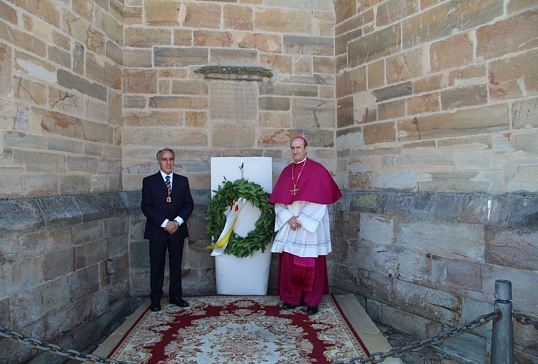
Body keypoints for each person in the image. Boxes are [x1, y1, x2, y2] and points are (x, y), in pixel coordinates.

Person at [268, 136, 342, 315]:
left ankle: (311, 301)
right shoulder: (287, 172)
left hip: (310, 227)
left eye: (299, 147)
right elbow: (279, 201)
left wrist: (300, 220)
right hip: (291, 225)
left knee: (311, 265)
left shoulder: (318, 170)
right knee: (290, 264)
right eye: (292, 148)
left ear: (306, 148)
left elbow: (320, 202)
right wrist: (288, 218)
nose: (295, 151)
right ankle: (292, 299)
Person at [141, 148, 194, 312]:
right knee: (156, 265)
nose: (168, 162)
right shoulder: (149, 181)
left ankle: (175, 295)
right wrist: (165, 223)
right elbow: (146, 206)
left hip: (177, 230)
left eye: (171, 159)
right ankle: (155, 298)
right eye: (164, 159)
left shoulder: (182, 181)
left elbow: (189, 204)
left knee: (176, 265)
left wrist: (176, 222)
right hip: (157, 231)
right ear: (159, 161)